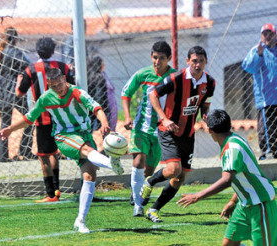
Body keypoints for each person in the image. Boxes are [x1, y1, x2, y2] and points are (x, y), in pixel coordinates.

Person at [0, 68, 124, 233]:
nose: (59, 88)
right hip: (64, 136)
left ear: (65, 79)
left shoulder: (77, 92)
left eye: (60, 84)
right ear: (49, 85)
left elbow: (96, 108)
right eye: (54, 86)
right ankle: (111, 163)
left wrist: (104, 123)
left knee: (89, 175)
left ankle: (80, 220)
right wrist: (9, 129)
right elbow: (29, 118)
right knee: (86, 150)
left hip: (84, 135)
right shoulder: (45, 99)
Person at [177, 109, 277, 246]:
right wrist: (232, 201)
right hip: (245, 204)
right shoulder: (234, 139)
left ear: (210, 130)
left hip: (261, 203)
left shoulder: (232, 148)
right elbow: (242, 176)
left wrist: (197, 196)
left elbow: (227, 179)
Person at [144, 46, 216, 223]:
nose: (197, 65)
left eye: (200, 61)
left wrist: (206, 116)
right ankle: (150, 182)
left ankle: (153, 209)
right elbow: (153, 94)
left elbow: (205, 104)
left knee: (180, 177)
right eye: (194, 61)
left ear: (206, 62)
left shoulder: (210, 83)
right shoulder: (175, 78)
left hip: (188, 134)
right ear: (187, 61)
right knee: (174, 169)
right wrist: (164, 118)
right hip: (168, 130)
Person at [121, 41, 176, 217]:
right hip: (141, 127)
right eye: (154, 57)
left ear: (169, 58)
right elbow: (126, 92)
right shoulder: (143, 74)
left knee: (149, 169)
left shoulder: (175, 77)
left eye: (161, 58)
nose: (157, 61)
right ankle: (137, 204)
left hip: (161, 131)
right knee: (138, 161)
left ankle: (141, 190)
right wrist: (128, 117)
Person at [16, 37, 74, 203]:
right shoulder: (62, 67)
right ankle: (56, 190)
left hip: (42, 119)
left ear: (37, 50)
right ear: (53, 51)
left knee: (43, 156)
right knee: (55, 153)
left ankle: (50, 194)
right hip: (62, 118)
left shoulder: (31, 70)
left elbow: (19, 93)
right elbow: (72, 87)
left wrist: (19, 82)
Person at [0, 26, 34, 162]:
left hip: (0, 93)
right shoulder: (14, 52)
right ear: (15, 39)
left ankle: (2, 156)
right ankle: (25, 150)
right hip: (13, 93)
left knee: (5, 124)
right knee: (30, 119)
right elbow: (29, 66)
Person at [241, 23, 277, 160]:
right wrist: (259, 54)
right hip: (266, 99)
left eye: (270, 33)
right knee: (267, 129)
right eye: (265, 34)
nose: (268, 37)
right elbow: (248, 67)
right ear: (261, 36)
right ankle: (267, 152)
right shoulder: (256, 51)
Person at [87, 56, 110, 132]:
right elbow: (100, 95)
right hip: (98, 107)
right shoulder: (99, 77)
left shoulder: (87, 76)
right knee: (102, 129)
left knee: (90, 127)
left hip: (88, 105)